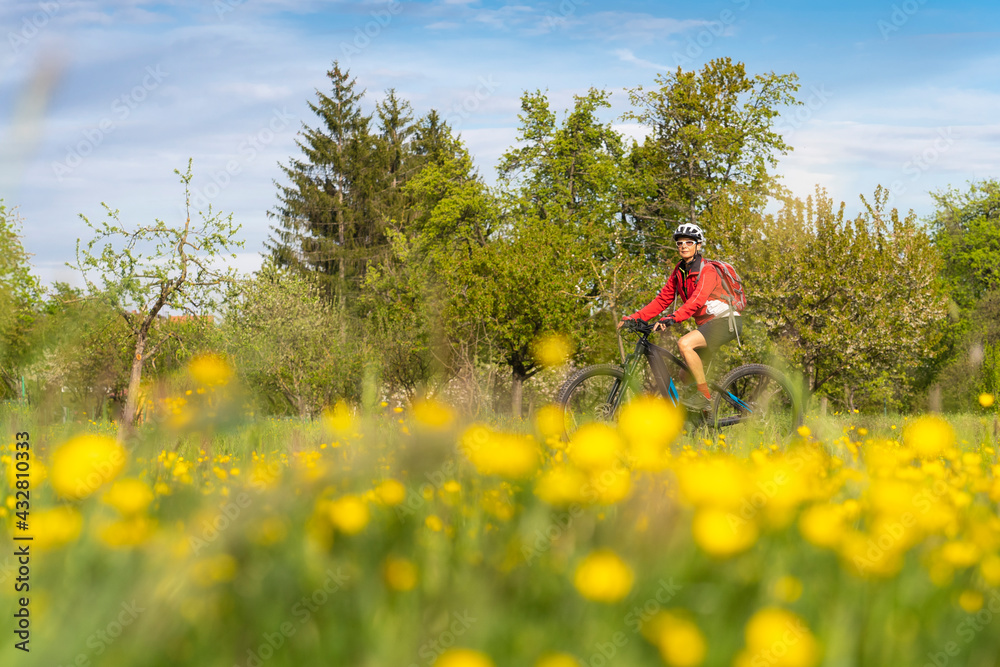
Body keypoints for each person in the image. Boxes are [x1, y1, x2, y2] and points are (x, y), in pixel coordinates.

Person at [618, 222, 743, 411]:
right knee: (686, 376)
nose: (683, 246)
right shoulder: (679, 271)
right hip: (707, 325)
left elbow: (696, 301)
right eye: (679, 243)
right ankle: (699, 418)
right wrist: (635, 317)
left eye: (689, 242)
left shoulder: (706, 270)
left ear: (698, 245)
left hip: (726, 321)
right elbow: (662, 300)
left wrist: (671, 319)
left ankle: (703, 396)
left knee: (685, 343)